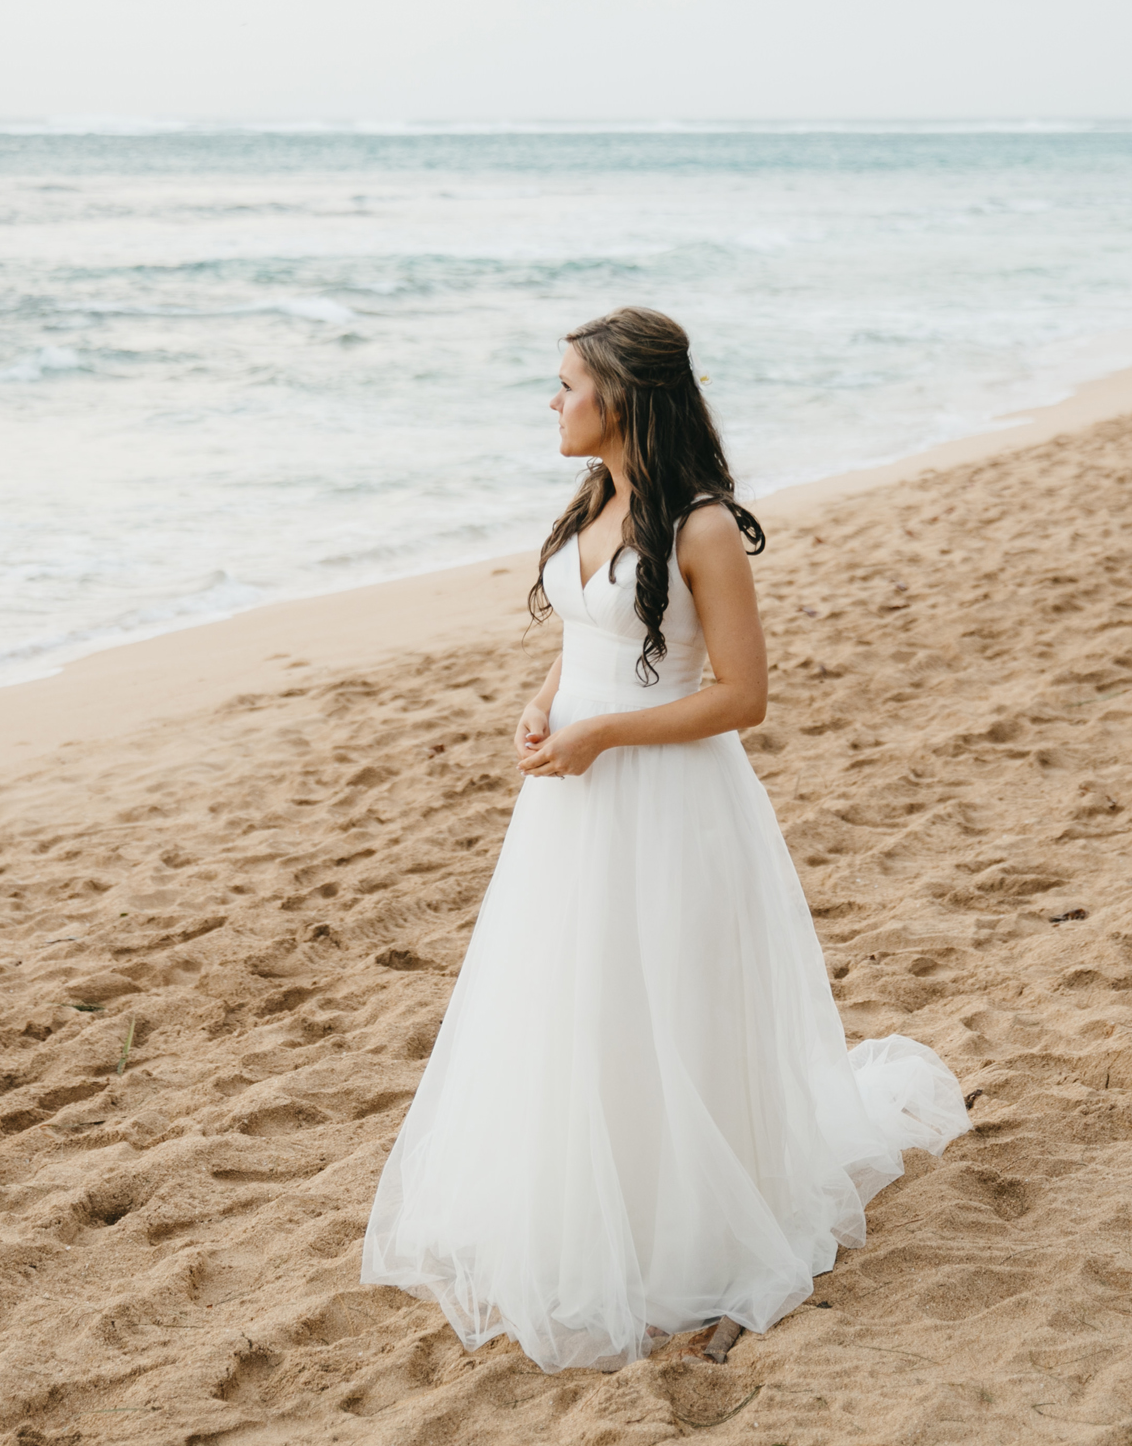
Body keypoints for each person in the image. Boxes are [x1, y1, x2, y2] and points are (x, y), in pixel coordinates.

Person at [359, 306, 971, 1374]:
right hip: (573, 797)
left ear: (622, 397)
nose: (551, 401)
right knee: (573, 995)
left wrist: (603, 729)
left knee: (663, 1002)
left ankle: (685, 1228)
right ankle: (592, 1204)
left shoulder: (702, 526)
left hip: (671, 798)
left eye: (565, 384)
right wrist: (546, 700)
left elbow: (743, 694)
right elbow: (592, 629)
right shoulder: (596, 499)